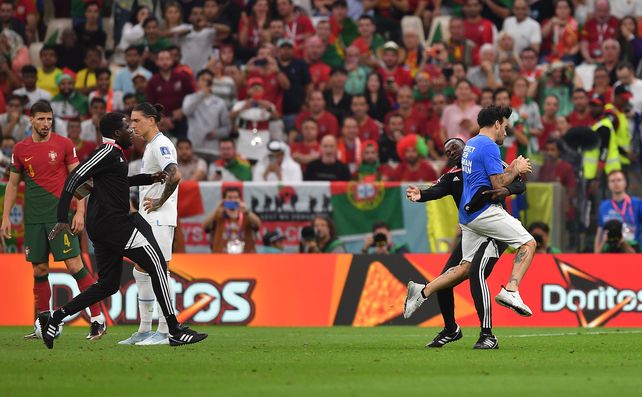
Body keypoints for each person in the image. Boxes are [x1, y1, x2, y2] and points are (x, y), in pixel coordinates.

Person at [45, 111, 207, 349]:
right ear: (117, 133)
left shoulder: (115, 155)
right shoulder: (107, 152)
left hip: (104, 226)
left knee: (108, 284)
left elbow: (117, 182)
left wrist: (148, 178)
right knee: (158, 266)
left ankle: (55, 317)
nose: (131, 129)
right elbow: (74, 177)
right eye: (127, 126)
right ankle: (173, 330)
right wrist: (61, 218)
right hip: (115, 224)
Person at [409, 106, 536, 346]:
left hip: (469, 218)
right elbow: (497, 183)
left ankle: (423, 292)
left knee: (467, 267)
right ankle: (510, 291)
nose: (506, 133)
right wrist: (516, 169)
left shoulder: (473, 145)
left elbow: (504, 183)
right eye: (505, 127)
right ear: (497, 123)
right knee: (529, 243)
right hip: (486, 215)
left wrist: (511, 173)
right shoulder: (488, 146)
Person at [1, 101, 105, 341]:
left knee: (75, 266)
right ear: (31, 120)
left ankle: (98, 320)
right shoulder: (20, 149)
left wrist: (80, 212)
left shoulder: (64, 144)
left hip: (60, 217)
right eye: (41, 119)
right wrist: (5, 216)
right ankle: (44, 324)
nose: (46, 123)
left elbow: (80, 179)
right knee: (39, 269)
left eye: (49, 119)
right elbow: (13, 184)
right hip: (33, 219)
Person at [119, 102, 184, 346]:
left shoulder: (162, 144)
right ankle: (145, 329)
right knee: (141, 268)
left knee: (158, 270)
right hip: (150, 216)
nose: (131, 125)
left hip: (160, 216)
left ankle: (165, 331)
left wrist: (159, 201)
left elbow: (175, 174)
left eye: (136, 121)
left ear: (151, 120)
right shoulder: (151, 146)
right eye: (130, 121)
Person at [182, 69, 231, 158]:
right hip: (194, 148)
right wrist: (201, 94)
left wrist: (216, 133)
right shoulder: (189, 98)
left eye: (209, 81)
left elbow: (227, 128)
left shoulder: (220, 102)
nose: (206, 83)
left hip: (213, 149)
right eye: (203, 80)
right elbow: (186, 111)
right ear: (197, 82)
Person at [145, 49, 194, 139]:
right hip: (161, 122)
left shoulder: (182, 77)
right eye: (162, 59)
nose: (165, 62)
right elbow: (150, 104)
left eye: (167, 59)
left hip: (181, 119)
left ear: (172, 61)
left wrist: (183, 110)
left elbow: (192, 96)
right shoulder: (153, 81)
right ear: (157, 62)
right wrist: (161, 119)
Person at [230, 76, 279, 162]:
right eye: (253, 88)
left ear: (263, 90)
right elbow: (230, 116)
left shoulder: (268, 105)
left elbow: (277, 117)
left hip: (262, 138)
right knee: (243, 161)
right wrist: (243, 108)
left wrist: (269, 109)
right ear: (248, 90)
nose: (256, 90)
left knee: (261, 164)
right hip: (244, 138)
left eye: (259, 88)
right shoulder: (241, 104)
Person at [595, 170, 642, 253]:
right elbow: (599, 231)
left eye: (619, 180)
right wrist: (596, 253)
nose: (616, 183)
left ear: (625, 183)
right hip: (608, 248)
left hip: (631, 247)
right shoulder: (604, 206)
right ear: (609, 185)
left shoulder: (637, 204)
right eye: (612, 181)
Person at [202, 187, 261, 253]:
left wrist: (246, 211)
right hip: (221, 258)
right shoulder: (218, 215)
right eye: (229, 198)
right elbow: (204, 226)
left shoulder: (246, 214)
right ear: (224, 200)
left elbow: (258, 224)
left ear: (240, 200)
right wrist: (216, 211)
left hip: (245, 258)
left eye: (236, 198)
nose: (233, 200)